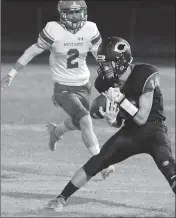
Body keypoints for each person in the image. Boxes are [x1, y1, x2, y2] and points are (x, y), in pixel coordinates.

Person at [45, 36, 176, 212]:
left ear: (121, 62)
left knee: (168, 165)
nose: (104, 68)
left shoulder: (145, 74)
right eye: (103, 64)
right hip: (130, 132)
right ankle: (60, 198)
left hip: (153, 129)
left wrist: (121, 99)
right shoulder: (106, 83)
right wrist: (113, 120)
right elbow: (121, 120)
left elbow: (142, 118)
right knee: (97, 161)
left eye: (108, 64)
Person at [1, 0, 115, 179]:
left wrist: (113, 75)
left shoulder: (90, 29)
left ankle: (57, 131)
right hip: (63, 88)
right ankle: (100, 164)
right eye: (71, 13)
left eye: (78, 12)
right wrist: (12, 73)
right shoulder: (53, 29)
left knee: (79, 123)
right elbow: (32, 51)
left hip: (84, 85)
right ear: (62, 14)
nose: (75, 16)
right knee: (85, 120)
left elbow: (99, 55)